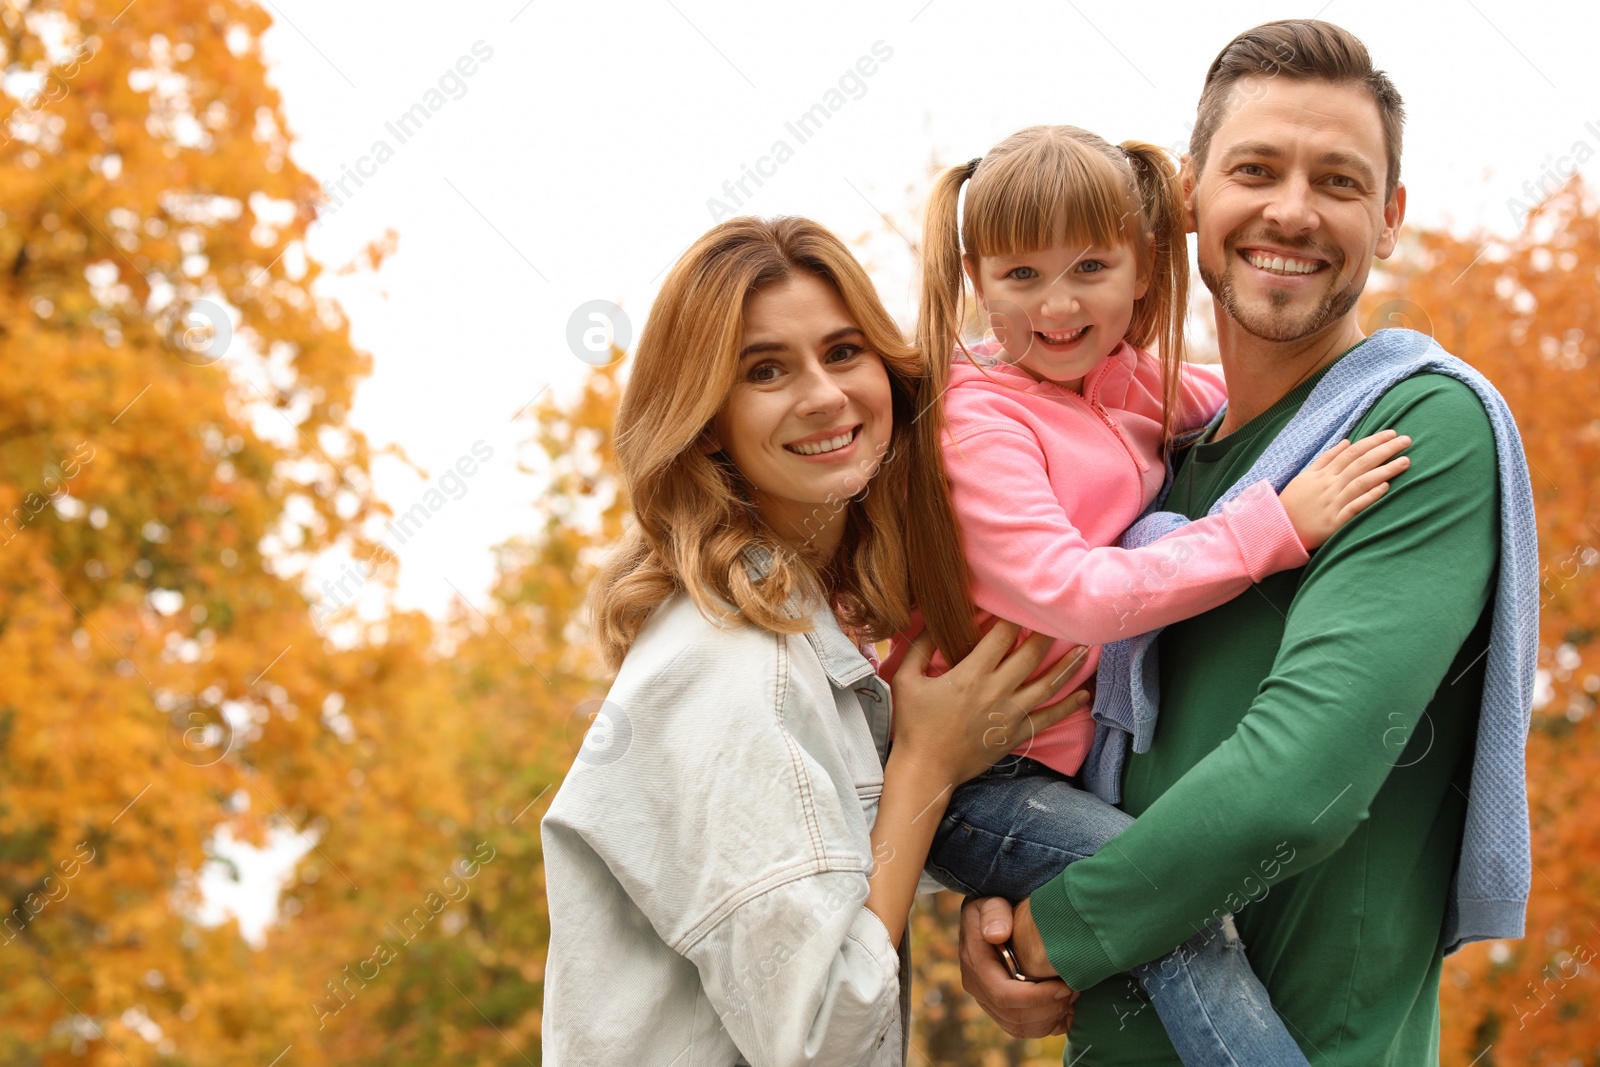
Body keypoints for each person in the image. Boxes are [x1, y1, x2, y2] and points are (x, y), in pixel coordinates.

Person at [958, 20, 1536, 1066]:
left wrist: (1050, 930)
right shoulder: (1155, 471)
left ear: (1390, 219)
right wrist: (994, 882)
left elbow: (1295, 782)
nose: (1292, 209)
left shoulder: (1409, 431)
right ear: (1188, 196)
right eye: (1255, 169)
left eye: (1340, 181)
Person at [874, 124, 1410, 1066]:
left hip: (1060, 765)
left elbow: (1252, 401)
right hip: (978, 776)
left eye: (1090, 265)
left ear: (1143, 266)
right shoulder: (977, 417)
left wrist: (1393, 378)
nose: (1060, 304)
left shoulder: (1122, 379)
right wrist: (1273, 525)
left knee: (1170, 912)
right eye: (1021, 275)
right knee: (1178, 911)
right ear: (974, 274)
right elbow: (1077, 595)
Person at [539, 216, 1088, 1066]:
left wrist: (999, 905)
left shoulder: (810, 635)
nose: (825, 395)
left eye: (842, 352)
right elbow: (821, 1039)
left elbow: (824, 882)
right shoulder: (733, 668)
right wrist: (925, 768)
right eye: (766, 370)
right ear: (708, 418)